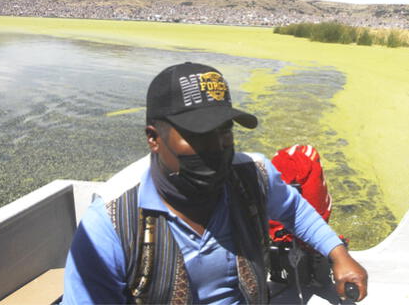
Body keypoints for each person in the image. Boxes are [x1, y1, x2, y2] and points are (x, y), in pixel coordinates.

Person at [61, 62, 368, 304]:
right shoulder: (111, 223)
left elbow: (294, 210)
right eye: (196, 134)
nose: (217, 146)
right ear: (153, 138)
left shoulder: (254, 176)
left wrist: (339, 255)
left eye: (224, 131)